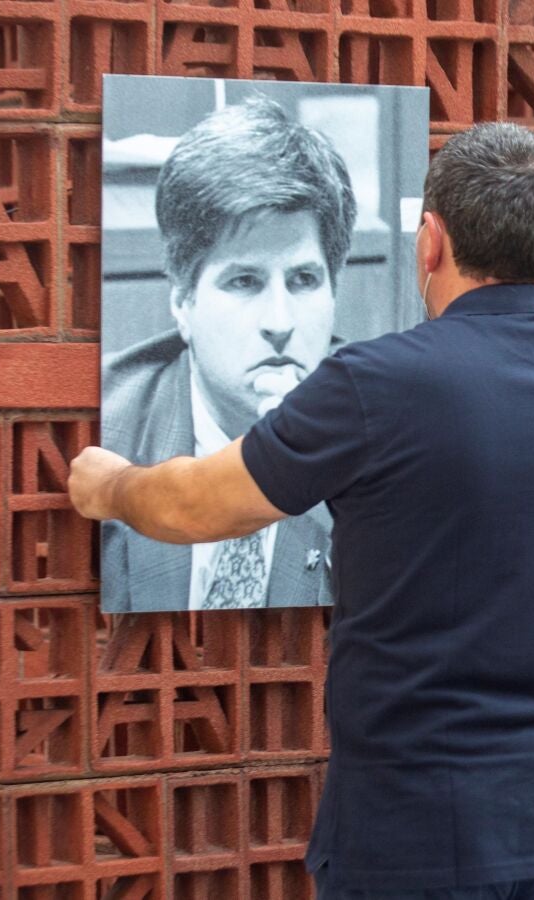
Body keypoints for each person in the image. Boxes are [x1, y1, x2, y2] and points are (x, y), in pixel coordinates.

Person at [70, 122, 534, 898]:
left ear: (430, 242)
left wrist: (112, 486)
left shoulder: (376, 385)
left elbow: (197, 506)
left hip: (418, 830)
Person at [99, 96, 355, 612]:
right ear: (182, 301)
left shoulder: (389, 439)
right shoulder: (103, 429)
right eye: (244, 281)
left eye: (304, 280)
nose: (280, 322)